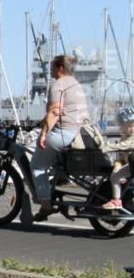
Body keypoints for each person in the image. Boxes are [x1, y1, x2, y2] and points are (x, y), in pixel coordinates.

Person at [31, 55, 91, 221]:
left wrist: (43, 134)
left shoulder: (59, 84)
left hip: (64, 133)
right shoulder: (76, 84)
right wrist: (42, 123)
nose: (50, 70)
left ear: (60, 69)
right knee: (54, 163)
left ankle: (46, 206)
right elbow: (65, 111)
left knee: (37, 166)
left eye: (52, 67)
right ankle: (55, 191)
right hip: (79, 134)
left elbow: (55, 111)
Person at [103, 107, 134, 210]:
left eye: (133, 126)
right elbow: (123, 156)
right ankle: (116, 201)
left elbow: (125, 146)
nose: (131, 129)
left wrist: (107, 147)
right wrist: (118, 164)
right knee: (115, 176)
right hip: (131, 165)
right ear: (122, 126)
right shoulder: (124, 137)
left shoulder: (131, 138)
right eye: (128, 126)